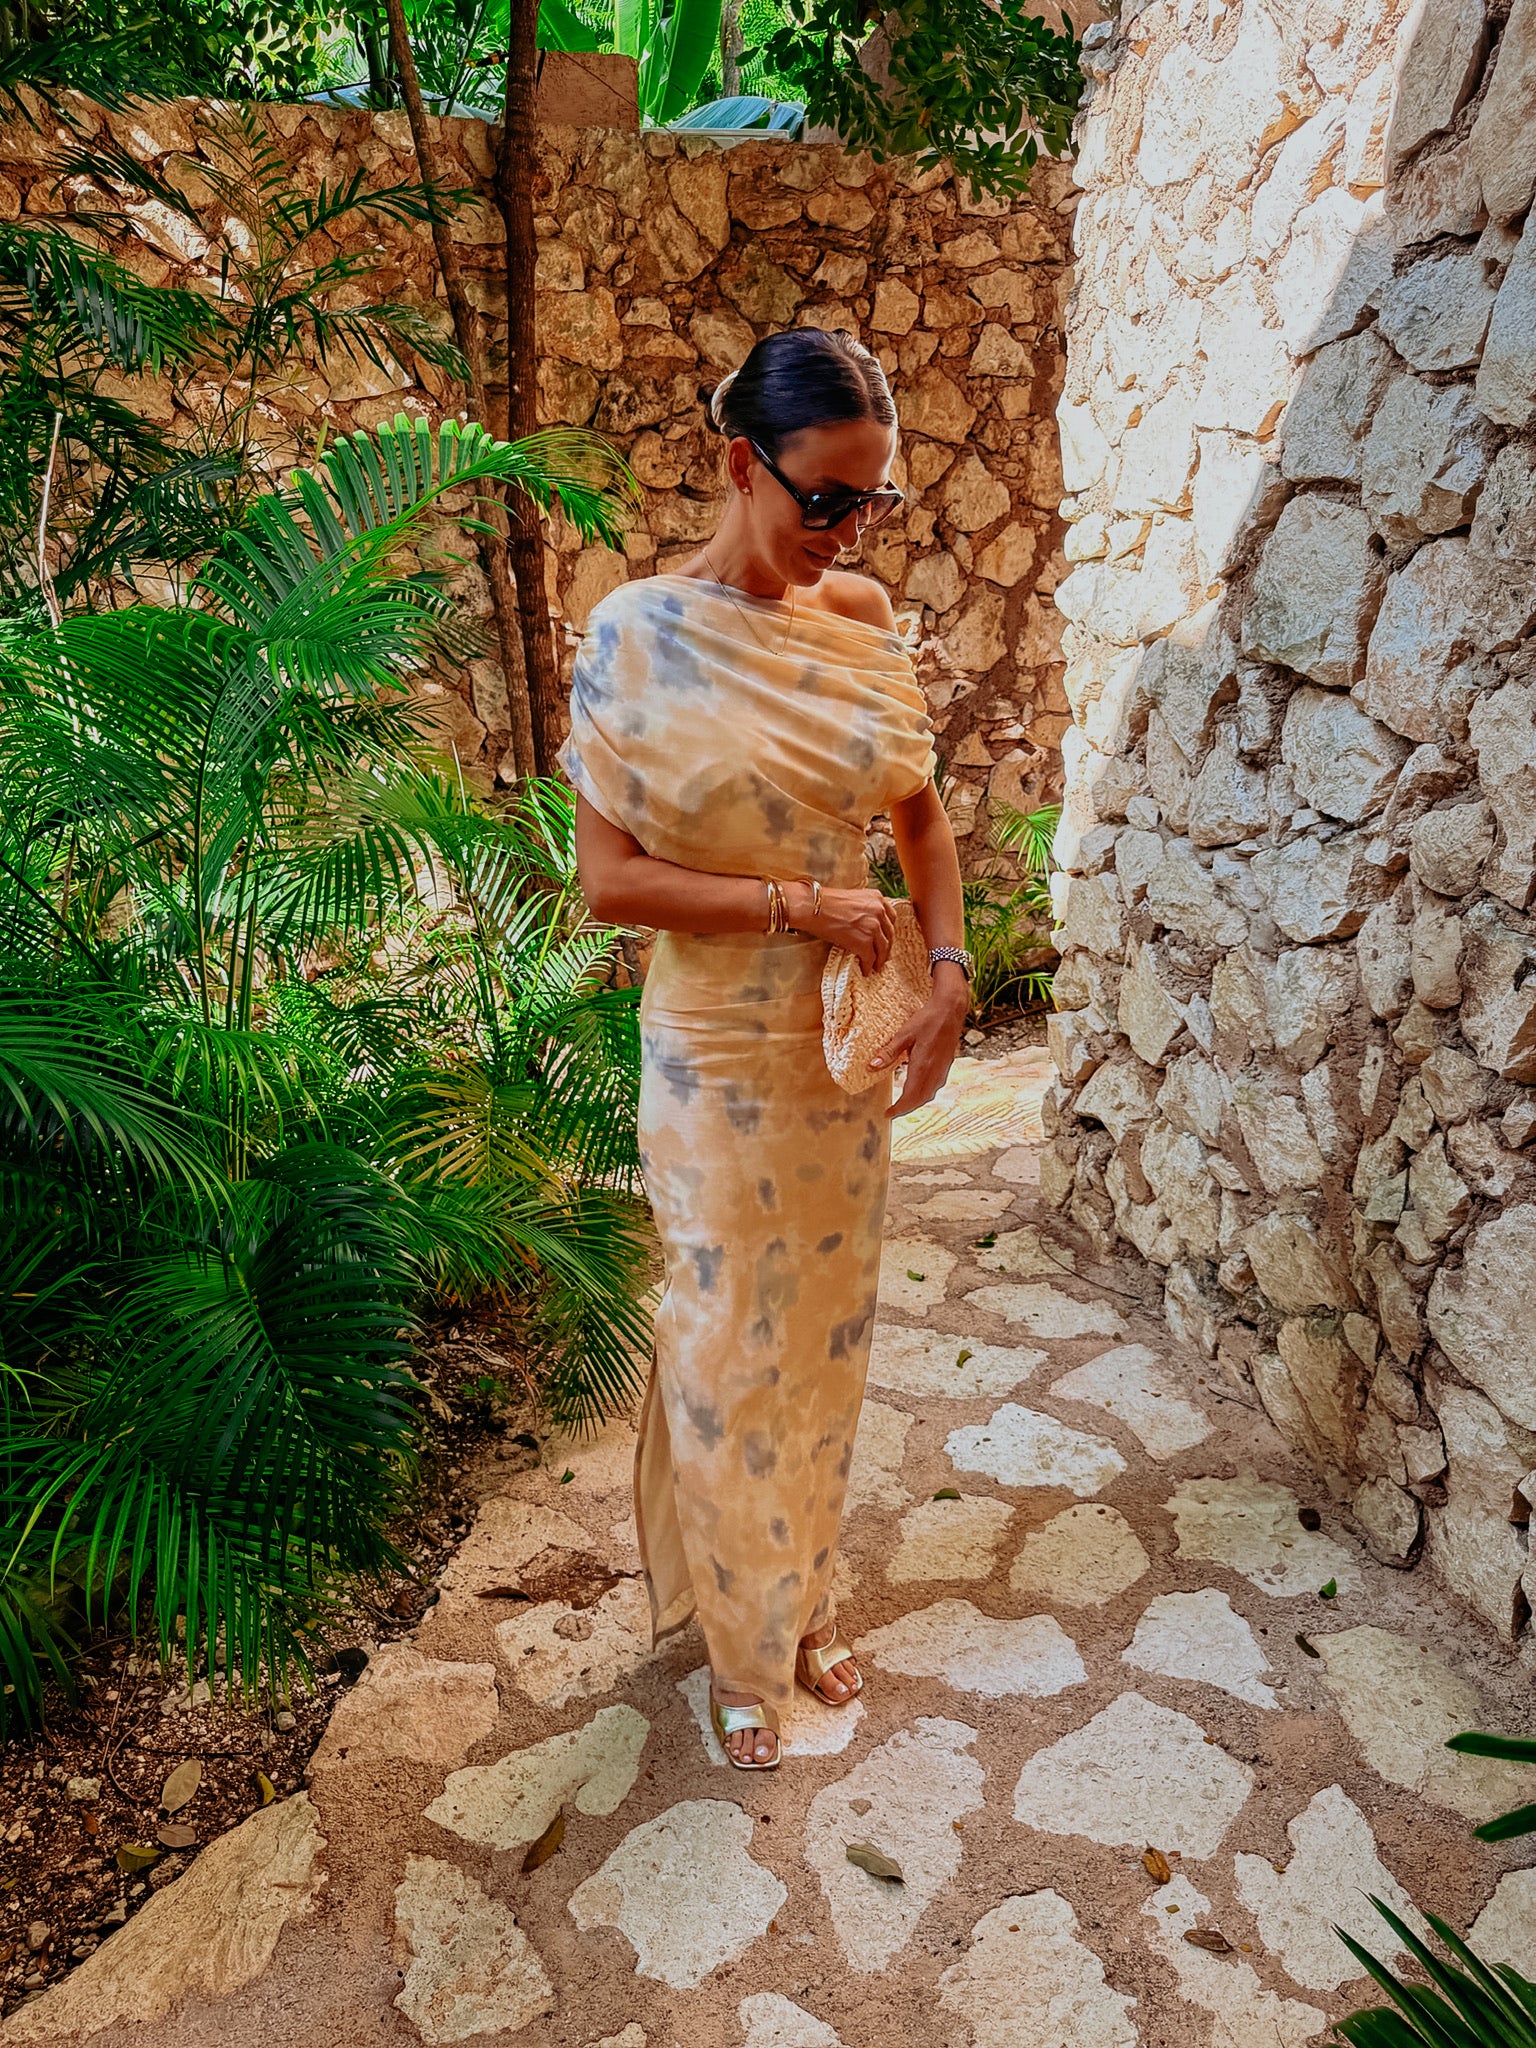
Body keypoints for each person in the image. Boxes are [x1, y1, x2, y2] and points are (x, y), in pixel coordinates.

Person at [562, 327, 972, 1770]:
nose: (850, 532)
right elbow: (608, 883)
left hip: (836, 1049)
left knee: (825, 1337)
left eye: (874, 501)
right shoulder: (637, 634)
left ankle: (801, 1600)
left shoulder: (855, 614)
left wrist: (946, 968)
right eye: (828, 499)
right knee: (730, 1338)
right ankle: (742, 1650)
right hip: (712, 1049)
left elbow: (919, 819)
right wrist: (801, 904)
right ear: (744, 464)